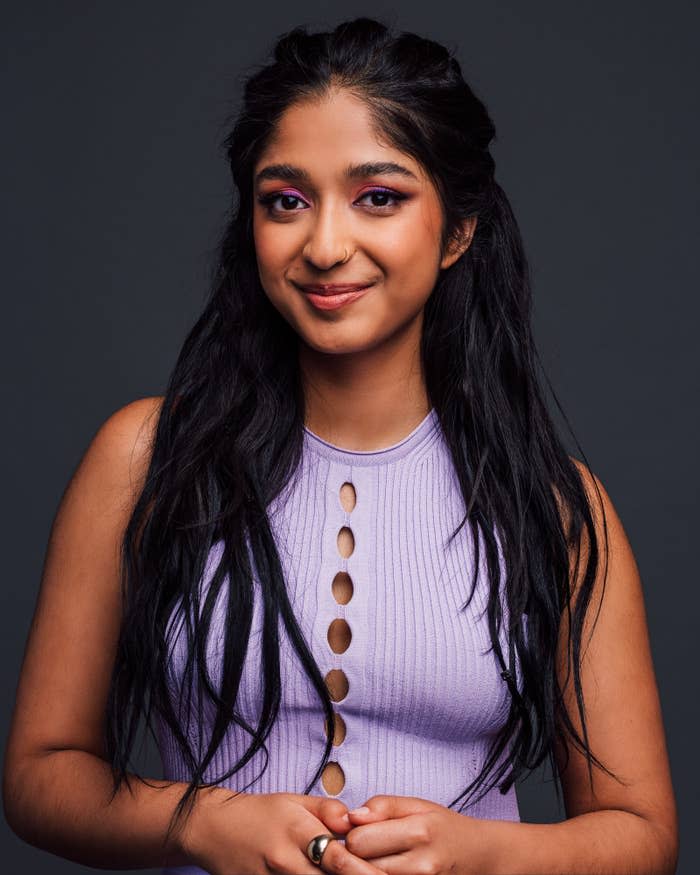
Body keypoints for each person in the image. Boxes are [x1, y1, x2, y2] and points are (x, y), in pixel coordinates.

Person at [3, 15, 678, 875]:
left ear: (459, 229)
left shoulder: (554, 506)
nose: (325, 246)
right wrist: (203, 820)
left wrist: (483, 853)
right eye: (286, 200)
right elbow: (37, 775)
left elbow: (643, 832)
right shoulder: (144, 456)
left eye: (379, 197)